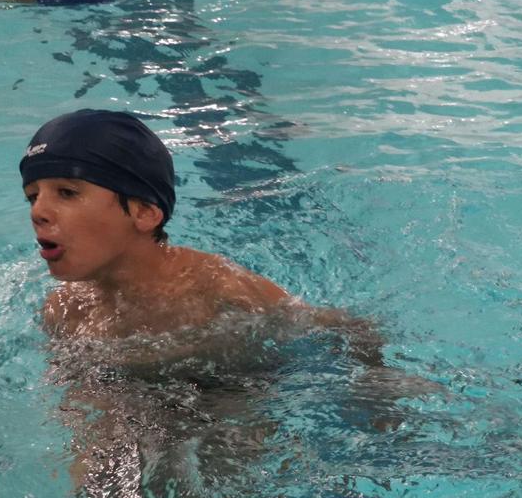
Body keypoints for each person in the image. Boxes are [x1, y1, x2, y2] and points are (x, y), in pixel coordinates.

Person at [21, 108, 369, 345]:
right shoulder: (65, 312)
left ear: (144, 212)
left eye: (67, 193)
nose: (39, 211)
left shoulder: (216, 289)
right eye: (32, 196)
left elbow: (345, 328)